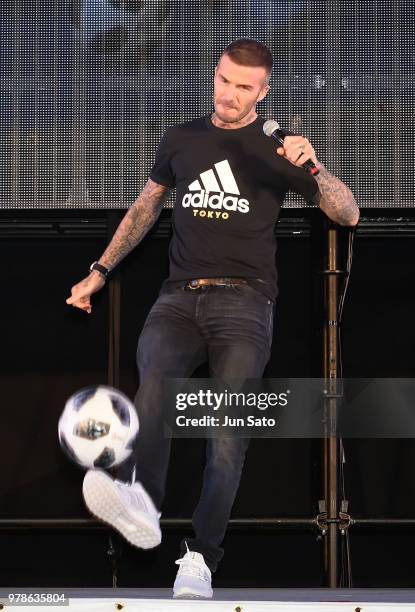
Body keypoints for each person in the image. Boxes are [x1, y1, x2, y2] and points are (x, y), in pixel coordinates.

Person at [66, 39, 359, 598]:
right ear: (216, 75)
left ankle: (200, 558)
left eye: (243, 87)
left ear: (263, 92)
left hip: (246, 304)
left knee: (227, 434)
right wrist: (99, 271)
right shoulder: (182, 137)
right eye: (223, 81)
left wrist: (314, 165)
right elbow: (146, 207)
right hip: (177, 298)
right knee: (154, 394)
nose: (228, 95)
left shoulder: (277, 151)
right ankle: (143, 509)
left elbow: (347, 213)